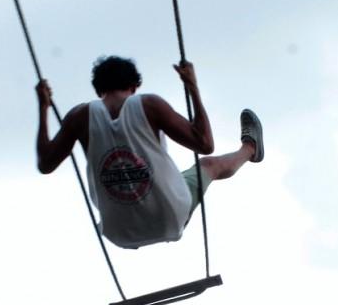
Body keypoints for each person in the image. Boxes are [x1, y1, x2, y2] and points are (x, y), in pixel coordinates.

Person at [35, 55, 264, 249]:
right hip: (170, 216)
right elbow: (205, 143)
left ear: (98, 89)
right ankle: (250, 148)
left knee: (113, 214)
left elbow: (45, 164)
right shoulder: (149, 105)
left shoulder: (79, 116)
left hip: (119, 233)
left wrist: (43, 108)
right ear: (134, 87)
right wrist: (192, 87)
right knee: (209, 165)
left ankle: (127, 222)